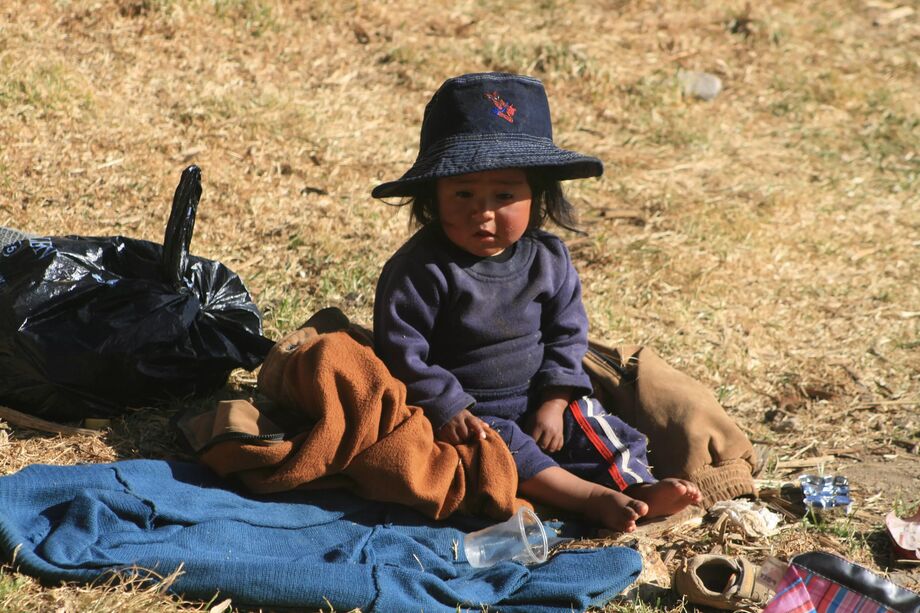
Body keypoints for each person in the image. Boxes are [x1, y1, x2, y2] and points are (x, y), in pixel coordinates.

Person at [371, 72, 701, 532]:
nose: (483, 212)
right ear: (433, 198)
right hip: (473, 410)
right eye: (463, 193)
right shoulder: (420, 269)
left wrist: (555, 399)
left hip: (541, 394)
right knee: (499, 449)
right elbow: (402, 351)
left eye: (505, 195)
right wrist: (448, 407)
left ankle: (637, 485)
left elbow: (568, 334)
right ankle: (589, 499)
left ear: (537, 196)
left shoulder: (547, 258)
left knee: (596, 424)